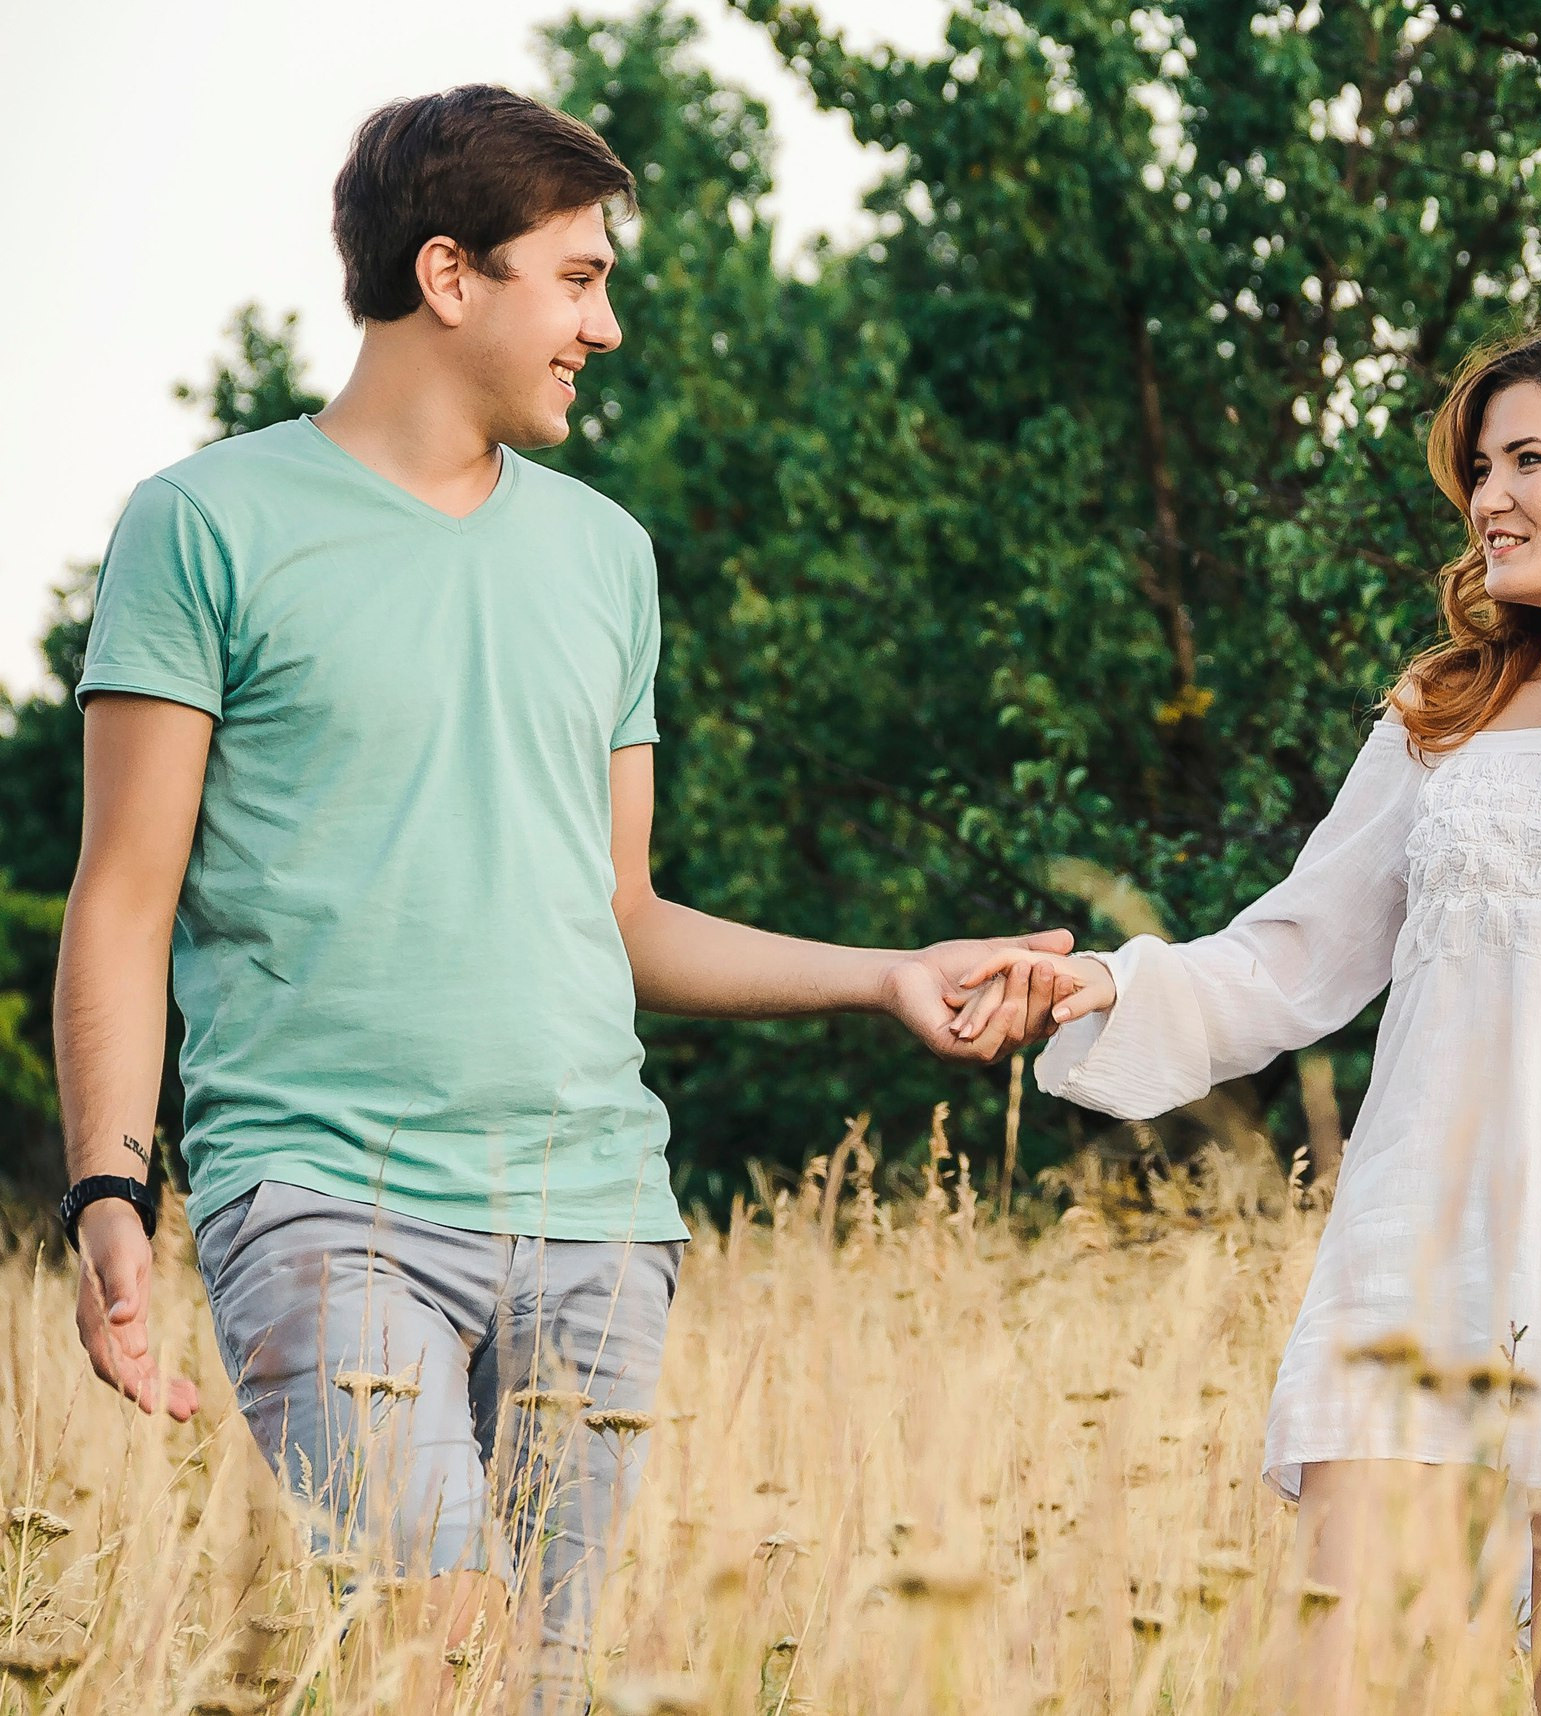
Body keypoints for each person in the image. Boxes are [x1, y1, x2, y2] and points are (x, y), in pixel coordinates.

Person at [53, 85, 1068, 1713]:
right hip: (325, 1197)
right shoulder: (205, 526)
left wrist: (882, 973)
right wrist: (109, 1188)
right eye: (579, 278)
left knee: (550, 1685)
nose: (604, 323)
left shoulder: (607, 556)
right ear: (450, 276)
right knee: (439, 1649)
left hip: (597, 1216)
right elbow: (122, 899)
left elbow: (624, 909)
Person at [955, 315, 1541, 1712]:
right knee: (1351, 1678)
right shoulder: (1438, 718)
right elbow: (1295, 953)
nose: (1487, 500)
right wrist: (1115, 981)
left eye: (1528, 461)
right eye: (1479, 468)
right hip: (1416, 1260)